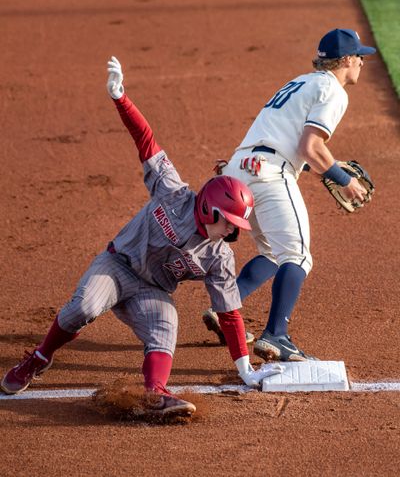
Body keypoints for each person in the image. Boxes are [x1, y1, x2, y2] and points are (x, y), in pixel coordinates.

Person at [1, 57, 283, 416]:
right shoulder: (173, 192)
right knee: (83, 308)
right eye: (229, 222)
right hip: (117, 267)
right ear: (209, 209)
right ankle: (39, 359)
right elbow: (147, 141)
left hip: (151, 291)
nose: (232, 230)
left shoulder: (219, 258)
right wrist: (121, 98)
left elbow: (229, 314)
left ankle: (155, 394)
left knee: (166, 328)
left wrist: (244, 368)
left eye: (236, 225)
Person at [202, 29, 376, 361]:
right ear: (348, 59)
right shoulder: (333, 91)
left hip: (239, 168)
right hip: (269, 173)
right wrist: (343, 180)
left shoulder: (300, 82)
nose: (362, 64)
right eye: (360, 58)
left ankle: (225, 309)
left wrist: (327, 164)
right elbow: (310, 147)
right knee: (297, 256)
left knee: (272, 252)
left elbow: (290, 144)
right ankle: (276, 336)